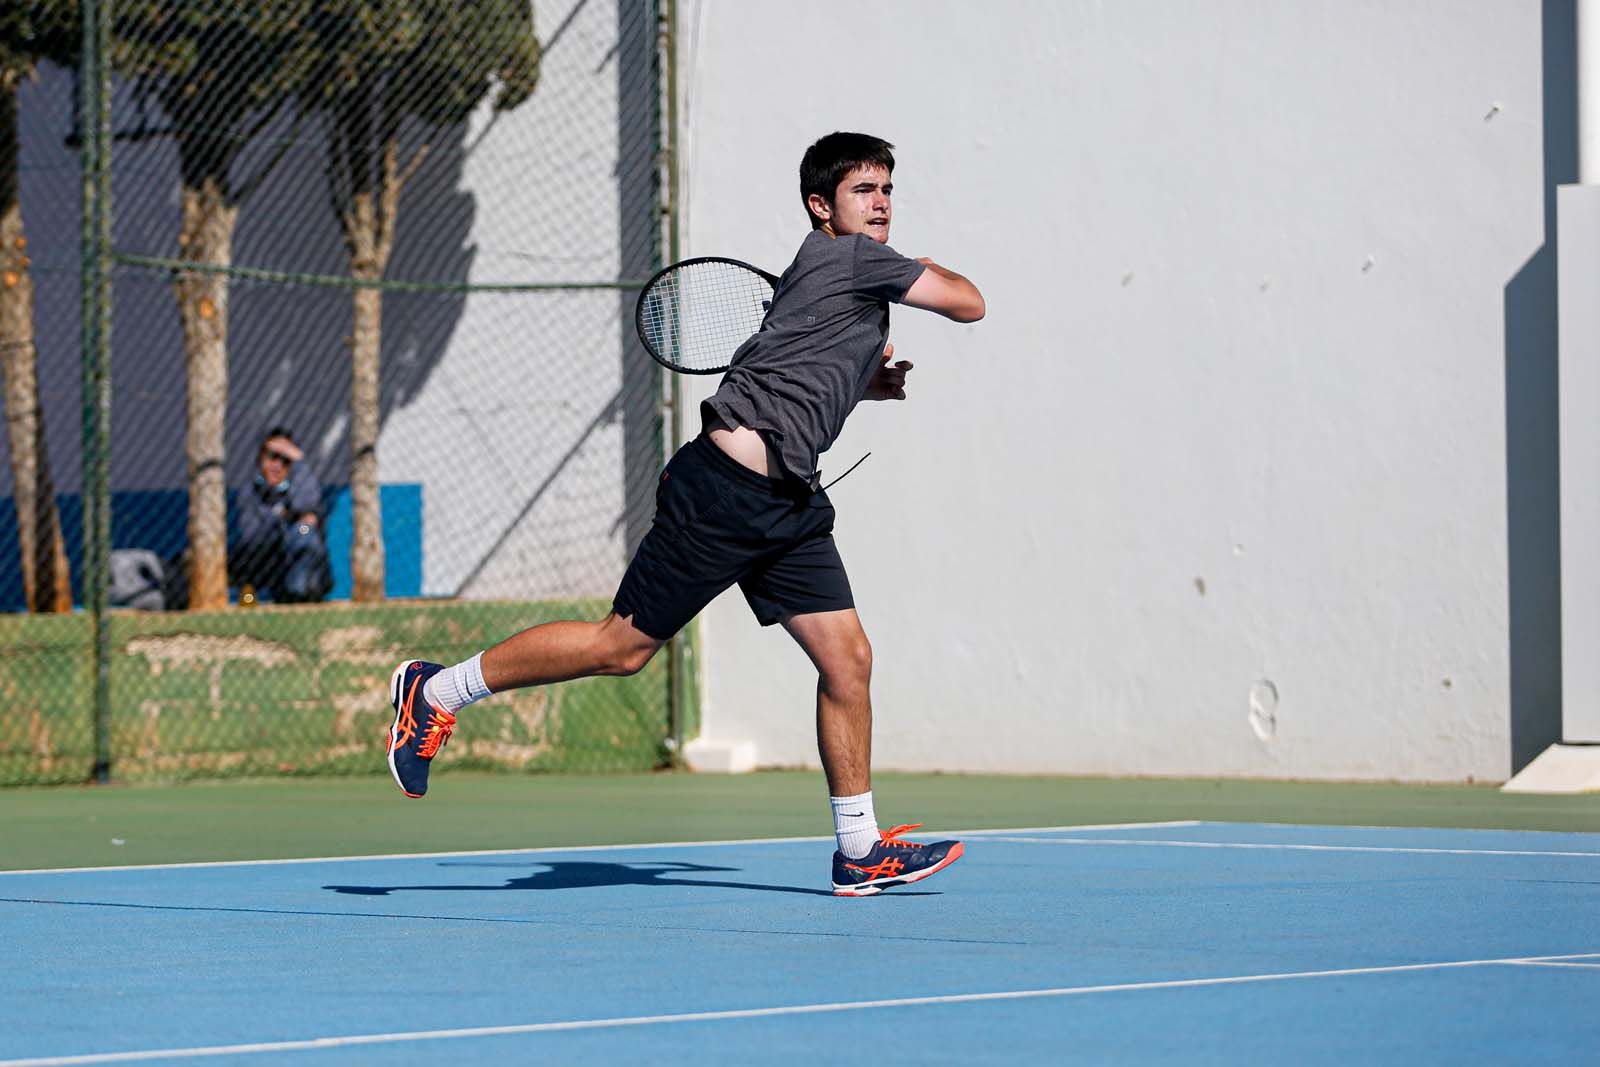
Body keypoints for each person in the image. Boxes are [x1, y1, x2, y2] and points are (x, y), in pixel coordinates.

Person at [386, 132, 985, 896]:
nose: (880, 204)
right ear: (820, 207)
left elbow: (782, 360)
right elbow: (969, 302)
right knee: (619, 647)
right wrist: (911, 281)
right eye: (863, 190)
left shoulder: (835, 279)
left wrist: (862, 383)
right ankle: (436, 690)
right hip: (723, 494)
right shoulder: (854, 259)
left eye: (888, 191)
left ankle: (859, 849)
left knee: (848, 661)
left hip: (790, 502)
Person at [231, 426, 332, 604]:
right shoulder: (250, 492)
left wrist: (300, 461)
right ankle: (267, 597)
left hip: (299, 564)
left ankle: (299, 596)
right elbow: (252, 536)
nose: (277, 466)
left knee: (304, 531)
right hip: (265, 565)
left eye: (285, 460)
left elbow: (306, 505)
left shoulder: (299, 484)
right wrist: (283, 519)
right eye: (272, 458)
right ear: (260, 460)